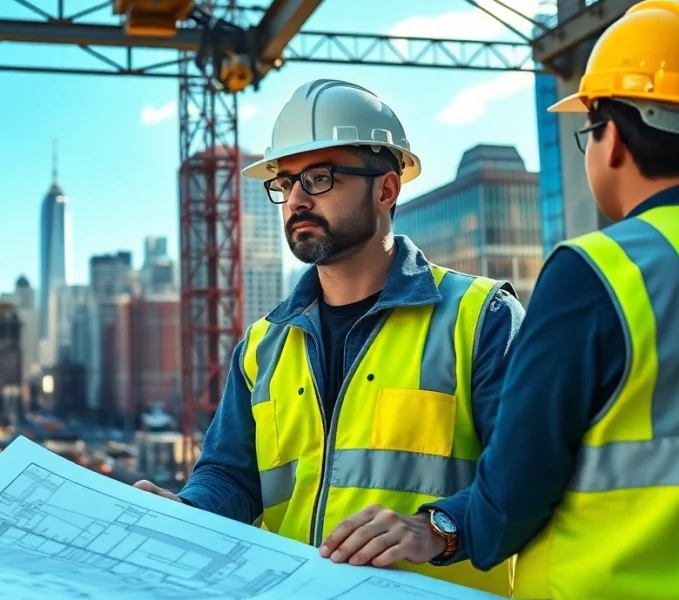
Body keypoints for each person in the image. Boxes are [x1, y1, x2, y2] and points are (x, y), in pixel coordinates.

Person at [380, 1, 679, 598]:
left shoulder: (595, 272)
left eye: (587, 131)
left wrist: (445, 527)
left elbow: (516, 486)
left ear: (611, 138)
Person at [133, 78, 525, 596]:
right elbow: (232, 476)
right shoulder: (263, 344)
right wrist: (187, 510)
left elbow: (527, 475)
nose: (295, 198)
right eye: (285, 182)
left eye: (318, 177)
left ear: (385, 189)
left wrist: (438, 528)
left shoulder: (480, 318)